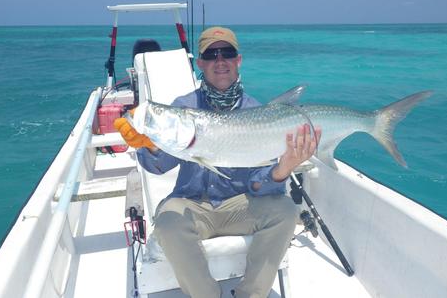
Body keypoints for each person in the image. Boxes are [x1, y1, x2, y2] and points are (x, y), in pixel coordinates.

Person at [115, 26, 320, 298]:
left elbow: (260, 186)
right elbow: (157, 166)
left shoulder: (258, 113)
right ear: (200, 63)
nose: (219, 61)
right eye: (211, 55)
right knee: (167, 223)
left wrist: (284, 169)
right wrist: (151, 144)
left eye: (227, 53)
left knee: (285, 211)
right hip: (193, 203)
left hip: (240, 205)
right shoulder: (184, 107)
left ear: (238, 60)